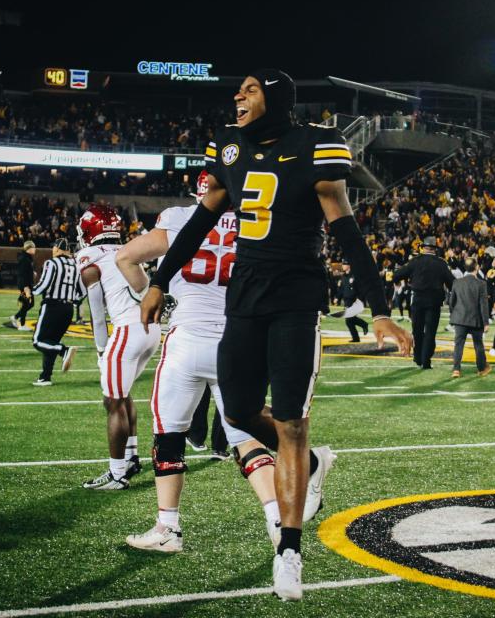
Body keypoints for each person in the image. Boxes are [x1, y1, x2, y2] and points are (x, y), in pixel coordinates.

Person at [138, 70, 412, 600]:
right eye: (238, 90)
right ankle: (311, 464)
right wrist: (158, 280)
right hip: (245, 299)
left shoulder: (316, 145)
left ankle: (289, 549)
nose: (238, 96)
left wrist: (378, 308)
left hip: (294, 300)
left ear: (277, 98)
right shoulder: (230, 147)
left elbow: (347, 232)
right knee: (238, 414)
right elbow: (198, 223)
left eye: (250, 89)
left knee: (289, 421)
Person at [116, 177, 283, 551]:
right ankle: (276, 519)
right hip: (237, 342)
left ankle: (168, 528)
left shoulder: (179, 218)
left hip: (187, 339)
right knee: (247, 437)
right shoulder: (257, 223)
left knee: (169, 436)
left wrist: (151, 293)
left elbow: (124, 256)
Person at [76, 205, 159, 490]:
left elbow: (97, 314)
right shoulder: (126, 248)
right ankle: (132, 457)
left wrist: (101, 350)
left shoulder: (90, 259)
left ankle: (117, 473)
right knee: (121, 395)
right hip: (151, 330)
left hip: (127, 329)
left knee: (112, 401)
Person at [392, 236, 453, 369]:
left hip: (418, 300)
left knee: (417, 330)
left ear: (423, 247)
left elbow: (397, 275)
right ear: (435, 249)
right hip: (434, 302)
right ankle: (426, 361)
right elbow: (452, 283)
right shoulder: (441, 263)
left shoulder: (415, 261)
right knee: (430, 332)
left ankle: (418, 357)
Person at [30, 238, 82, 386]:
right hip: (68, 309)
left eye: (54, 248)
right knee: (51, 342)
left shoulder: (52, 263)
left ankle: (63, 351)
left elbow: (43, 285)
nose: (53, 250)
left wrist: (30, 292)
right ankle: (45, 376)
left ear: (59, 250)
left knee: (38, 341)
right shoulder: (75, 265)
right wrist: (73, 300)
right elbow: (82, 290)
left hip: (52, 306)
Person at [449, 258, 491, 378]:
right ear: (476, 267)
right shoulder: (481, 284)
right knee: (478, 344)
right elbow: (483, 305)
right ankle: (481, 368)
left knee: (458, 345)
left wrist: (455, 315)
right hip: (475, 319)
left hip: (460, 319)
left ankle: (456, 370)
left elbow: (451, 302)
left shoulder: (457, 282)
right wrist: (486, 322)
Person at [337, 261, 369, 342]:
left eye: (344, 264)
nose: (343, 266)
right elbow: (342, 289)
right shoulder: (343, 276)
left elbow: (361, 289)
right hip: (346, 300)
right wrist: (337, 297)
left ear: (349, 266)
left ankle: (357, 335)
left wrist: (359, 299)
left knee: (348, 320)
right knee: (350, 320)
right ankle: (362, 327)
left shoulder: (355, 276)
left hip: (353, 300)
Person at [11, 241, 36, 331]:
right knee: (26, 304)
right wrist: (25, 287)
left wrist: (32, 273)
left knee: (30, 303)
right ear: (28, 249)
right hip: (25, 285)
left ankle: (15, 317)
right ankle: (22, 324)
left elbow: (25, 271)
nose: (35, 249)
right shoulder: (24, 259)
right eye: (33, 247)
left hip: (27, 284)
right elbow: (21, 274)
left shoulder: (27, 258)